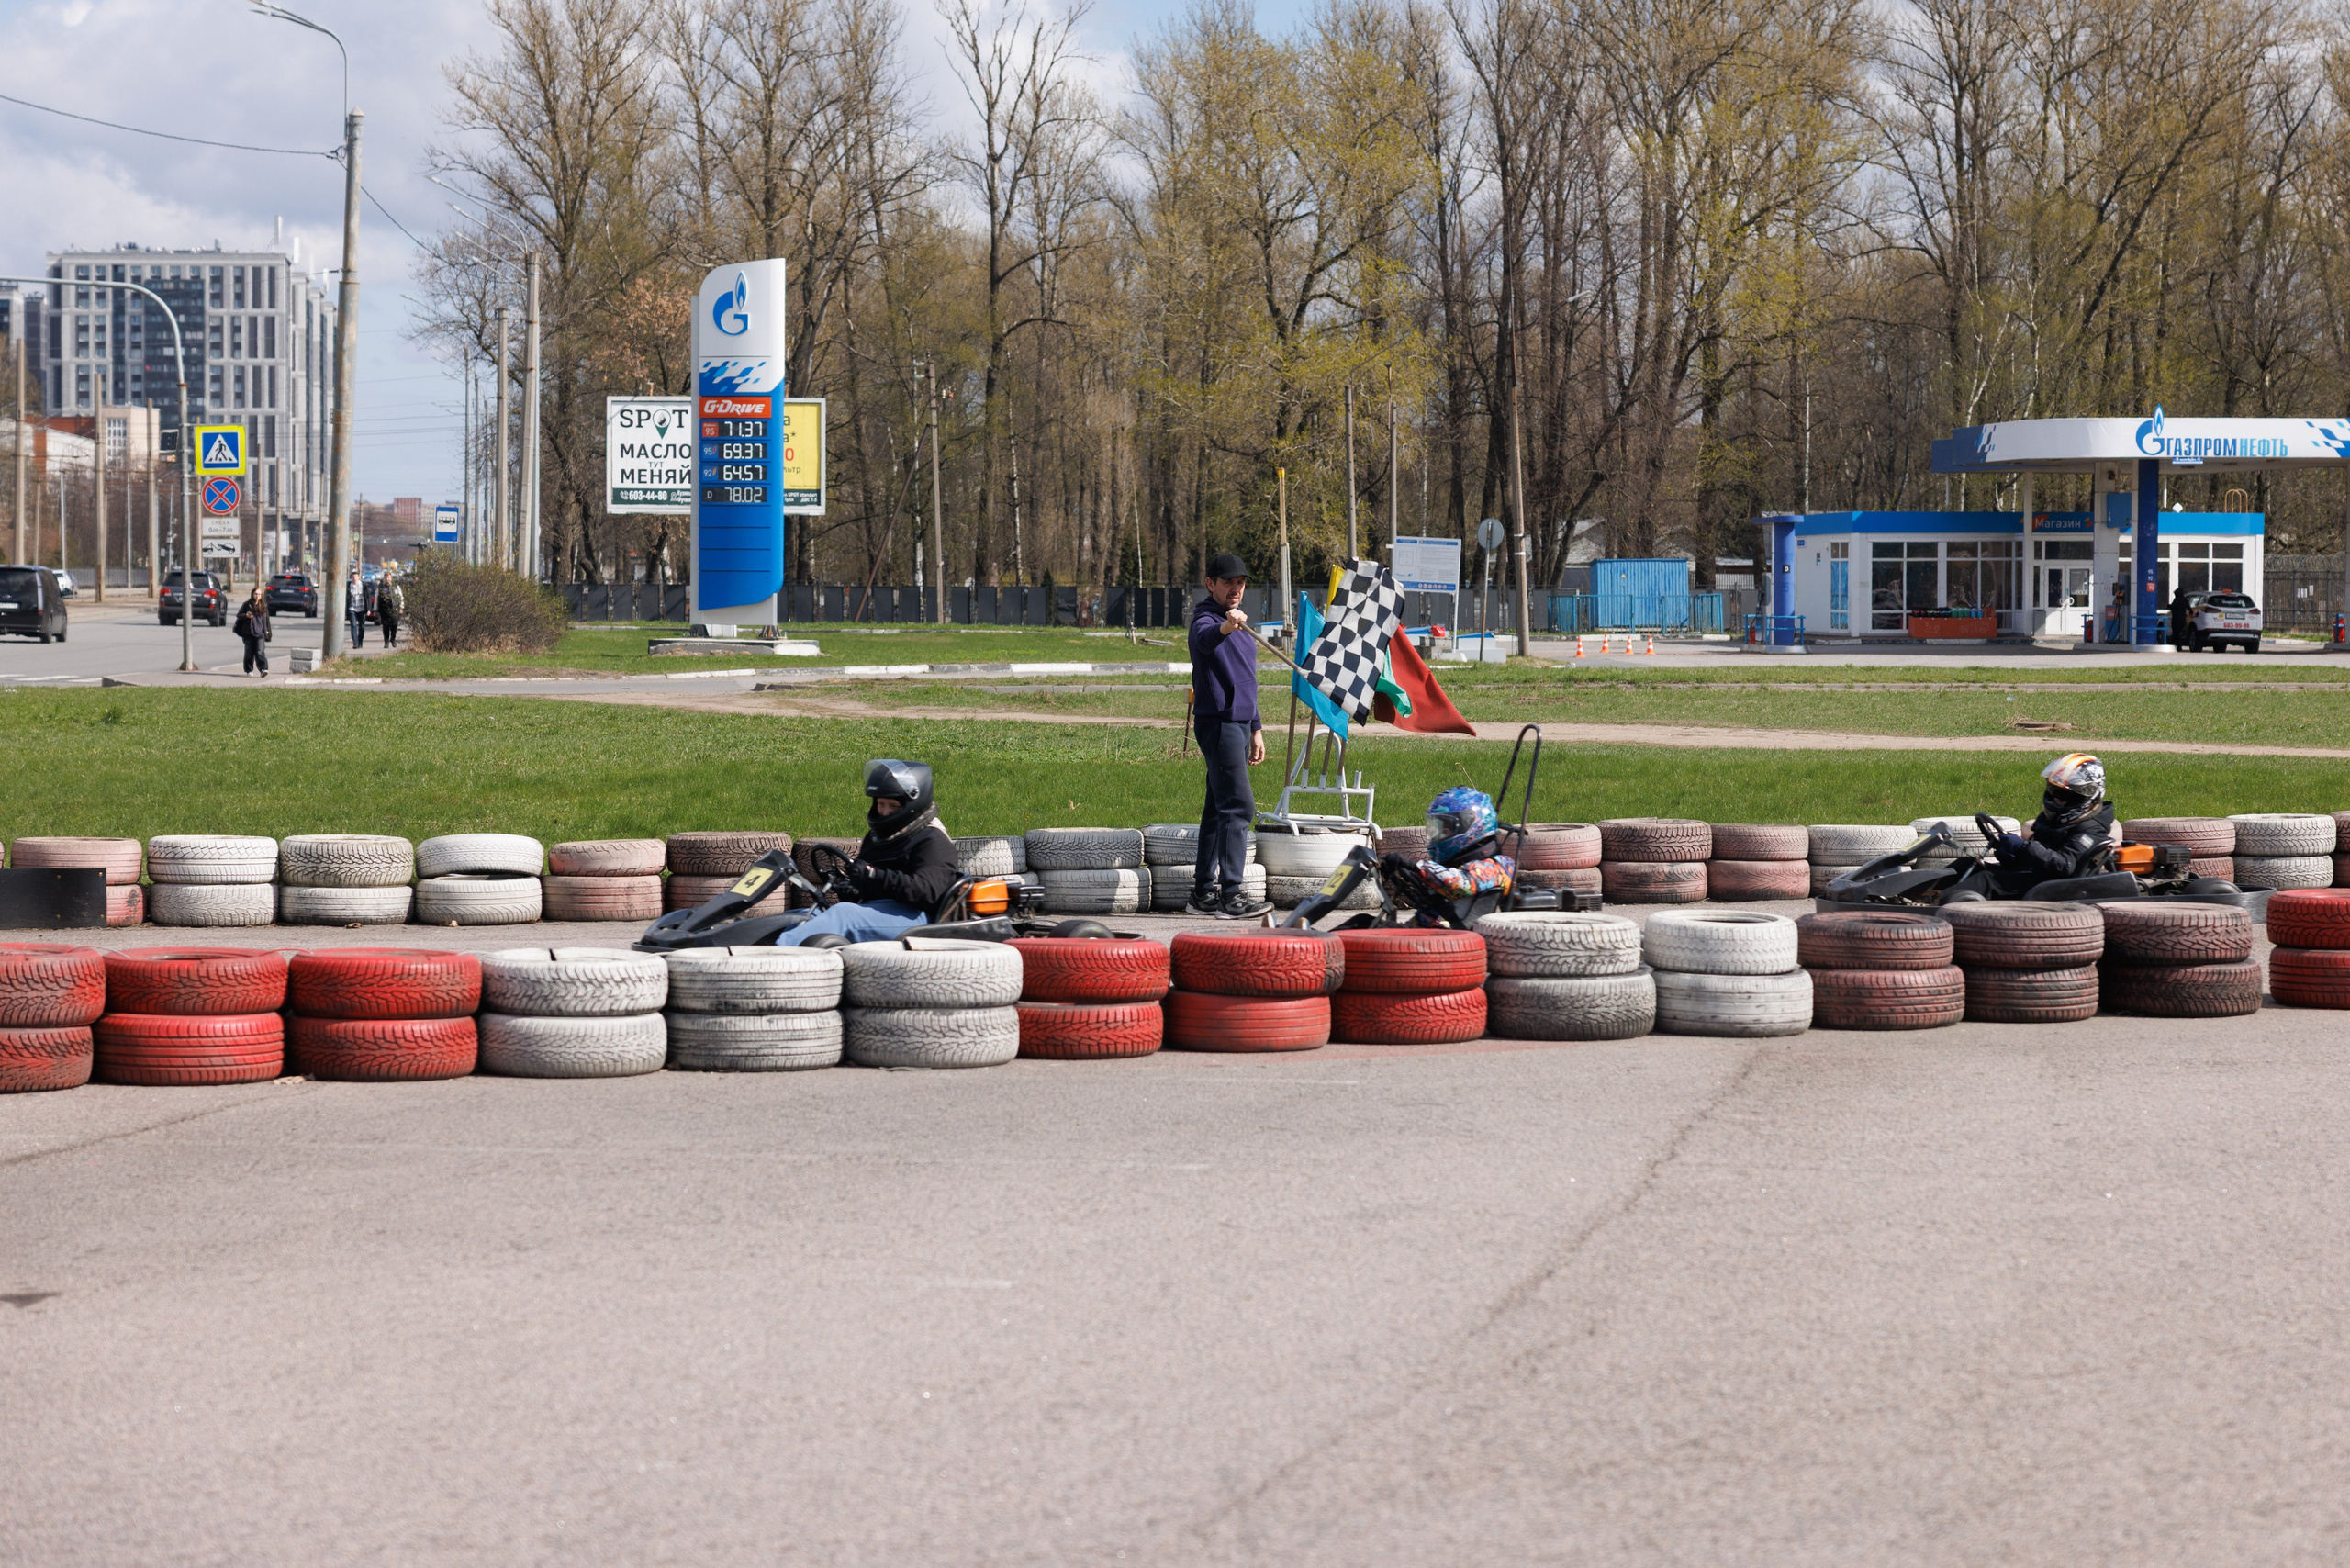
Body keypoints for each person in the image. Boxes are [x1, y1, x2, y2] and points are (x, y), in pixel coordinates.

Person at [779, 758, 959, 946]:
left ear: (913, 803)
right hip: (876, 909)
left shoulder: (933, 840)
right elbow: (871, 886)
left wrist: (874, 876)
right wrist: (853, 890)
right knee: (803, 915)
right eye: (881, 804)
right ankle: (755, 945)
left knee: (843, 915)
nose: (884, 812)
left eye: (893, 806)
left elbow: (928, 892)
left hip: (916, 917)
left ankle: (773, 958)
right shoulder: (877, 838)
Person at [1187, 552, 1270, 919]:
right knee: (1239, 807)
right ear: (1211, 584)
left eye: (1240, 583)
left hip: (1238, 724)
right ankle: (1231, 896)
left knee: (1217, 811)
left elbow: (1246, 680)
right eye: (1227, 582)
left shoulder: (1242, 627)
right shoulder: (1206, 618)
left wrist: (1256, 728)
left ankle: (1203, 893)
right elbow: (1204, 640)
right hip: (1218, 724)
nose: (1235, 589)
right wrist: (1225, 626)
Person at [1985, 753, 2117, 894]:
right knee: (1970, 865)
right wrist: (2014, 855)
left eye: (2064, 795)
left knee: (1984, 880)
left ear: (2086, 795)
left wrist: (2024, 847)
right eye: (2053, 791)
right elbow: (2042, 852)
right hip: (2036, 876)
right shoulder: (2056, 819)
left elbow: (2065, 866)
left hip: (2056, 888)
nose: (2056, 799)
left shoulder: (2091, 830)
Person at [232, 586, 272, 678]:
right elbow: (239, 615)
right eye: (255, 594)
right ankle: (249, 670)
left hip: (260, 633)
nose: (257, 596)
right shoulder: (247, 605)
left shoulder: (264, 606)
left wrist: (268, 632)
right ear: (252, 595)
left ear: (261, 595)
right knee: (249, 653)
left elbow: (267, 621)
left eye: (259, 594)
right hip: (248, 633)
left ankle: (263, 669)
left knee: (260, 651)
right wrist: (246, 615)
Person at [378, 574, 405, 650]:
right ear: (384, 579)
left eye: (389, 577)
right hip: (384, 609)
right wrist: (376, 609)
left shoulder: (395, 587)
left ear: (391, 578)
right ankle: (386, 641)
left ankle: (393, 639)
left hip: (394, 609)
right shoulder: (381, 588)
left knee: (394, 624)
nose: (387, 579)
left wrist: (401, 607)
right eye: (386, 578)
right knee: (385, 626)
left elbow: (400, 597)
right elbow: (377, 598)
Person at [2168, 582, 2194, 650]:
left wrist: (2168, 606)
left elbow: (2173, 607)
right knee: (2180, 632)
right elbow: (2189, 608)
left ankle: (2178, 645)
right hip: (2183, 618)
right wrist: (2191, 613)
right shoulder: (2185, 600)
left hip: (2176, 618)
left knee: (2176, 632)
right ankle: (2179, 645)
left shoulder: (2176, 600)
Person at [345, 571, 367, 649]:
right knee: (353, 625)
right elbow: (346, 600)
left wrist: (369, 609)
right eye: (353, 577)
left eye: (356, 577)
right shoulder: (348, 587)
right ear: (351, 578)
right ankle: (355, 643)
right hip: (352, 609)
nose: (354, 579)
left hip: (362, 609)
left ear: (359, 577)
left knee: (362, 627)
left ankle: (360, 641)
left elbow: (367, 598)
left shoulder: (363, 586)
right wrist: (345, 612)